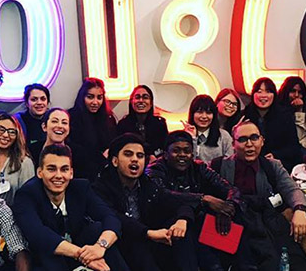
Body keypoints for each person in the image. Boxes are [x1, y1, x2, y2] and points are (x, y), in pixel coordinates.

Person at [209, 121, 306, 271]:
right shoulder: (218, 166)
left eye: (254, 138)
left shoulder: (272, 165)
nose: (249, 144)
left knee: (296, 213)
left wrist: (300, 209)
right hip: (234, 219)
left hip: (267, 216)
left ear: (262, 141)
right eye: (242, 139)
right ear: (233, 144)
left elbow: (292, 190)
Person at [13, 144, 128, 271]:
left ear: (71, 173)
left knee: (97, 229)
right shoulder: (27, 194)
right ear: (40, 172)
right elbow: (37, 234)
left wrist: (100, 247)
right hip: (49, 257)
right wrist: (83, 255)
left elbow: (110, 218)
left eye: (64, 169)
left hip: (79, 248)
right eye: (51, 169)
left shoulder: (81, 188)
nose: (58, 175)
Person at [92, 133, 196, 271]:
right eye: (128, 154)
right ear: (115, 161)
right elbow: (115, 217)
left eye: (140, 156)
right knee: (136, 243)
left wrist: (182, 220)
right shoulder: (100, 187)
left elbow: (177, 201)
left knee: (180, 231)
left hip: (148, 244)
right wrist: (148, 233)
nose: (135, 160)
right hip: (119, 246)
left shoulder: (148, 184)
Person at [145, 130, 243, 270]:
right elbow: (161, 195)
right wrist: (203, 199)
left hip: (194, 223)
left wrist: (227, 208)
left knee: (236, 216)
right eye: (176, 151)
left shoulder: (198, 167)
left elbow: (232, 190)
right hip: (163, 227)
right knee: (187, 229)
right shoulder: (154, 169)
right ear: (165, 155)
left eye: (187, 151)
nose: (182, 155)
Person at [242, 77, 304, 170]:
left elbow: (294, 147)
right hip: (249, 165)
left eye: (268, 91)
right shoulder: (244, 115)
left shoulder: (284, 116)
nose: (263, 95)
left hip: (278, 166)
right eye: (259, 91)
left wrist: (275, 155)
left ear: (274, 95)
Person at [68, 78, 117, 181]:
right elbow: (74, 149)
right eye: (90, 97)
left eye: (99, 97)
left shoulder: (109, 118)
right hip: (81, 175)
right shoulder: (72, 117)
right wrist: (99, 157)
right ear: (82, 97)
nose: (95, 102)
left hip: (106, 175)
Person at [116, 85, 168, 159]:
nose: (141, 101)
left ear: (151, 103)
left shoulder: (160, 124)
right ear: (131, 102)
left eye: (145, 97)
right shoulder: (123, 125)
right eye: (137, 97)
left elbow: (165, 148)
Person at [180, 94, 233, 164]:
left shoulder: (224, 136)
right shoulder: (182, 137)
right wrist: (193, 139)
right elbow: (185, 163)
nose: (204, 116)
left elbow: (229, 163)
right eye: (199, 112)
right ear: (192, 113)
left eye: (208, 113)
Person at [278, 76, 306, 150]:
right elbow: (297, 139)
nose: (296, 95)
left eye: (300, 92)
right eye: (293, 91)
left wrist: (300, 110)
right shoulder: (278, 111)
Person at [15, 83, 51, 160]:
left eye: (43, 99)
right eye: (34, 99)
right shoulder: (18, 121)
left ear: (47, 102)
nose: (39, 103)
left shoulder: (53, 119)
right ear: (27, 103)